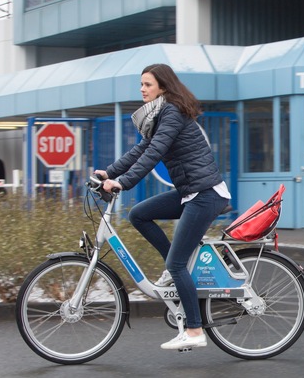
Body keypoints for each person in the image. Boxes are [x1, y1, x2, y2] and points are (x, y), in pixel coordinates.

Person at [95, 63, 231, 351]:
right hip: (190, 192)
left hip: (204, 194)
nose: (142, 89)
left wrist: (124, 183)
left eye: (148, 84)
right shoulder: (161, 114)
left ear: (163, 87)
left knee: (177, 263)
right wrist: (110, 173)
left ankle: (194, 330)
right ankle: (174, 269)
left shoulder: (171, 111)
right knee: (138, 214)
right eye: (141, 84)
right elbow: (142, 149)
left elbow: (155, 152)